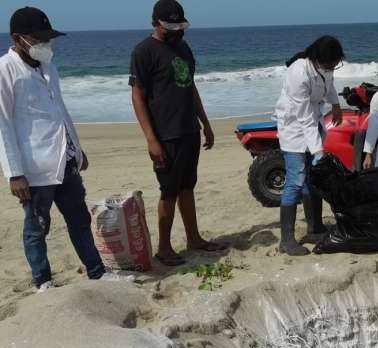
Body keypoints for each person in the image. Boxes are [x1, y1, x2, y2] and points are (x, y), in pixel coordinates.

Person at [0, 7, 125, 292]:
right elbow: (2, 125)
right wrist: (14, 173)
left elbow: (60, 112)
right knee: (36, 227)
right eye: (38, 38)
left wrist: (77, 148)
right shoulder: (5, 71)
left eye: (48, 39)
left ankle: (97, 272)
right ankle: (43, 281)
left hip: (64, 159)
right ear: (17, 38)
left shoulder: (48, 67)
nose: (45, 44)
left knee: (79, 218)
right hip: (34, 167)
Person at [130, 0, 224, 267]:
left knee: (187, 186)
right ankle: (164, 247)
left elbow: (190, 87)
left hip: (188, 129)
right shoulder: (143, 51)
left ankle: (193, 238)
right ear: (155, 23)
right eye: (171, 26)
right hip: (165, 134)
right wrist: (151, 140)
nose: (177, 31)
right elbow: (137, 97)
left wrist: (205, 122)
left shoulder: (183, 47)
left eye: (180, 25)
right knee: (168, 190)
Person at [274, 36, 344, 256]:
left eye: (336, 64)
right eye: (330, 64)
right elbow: (304, 118)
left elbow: (329, 83)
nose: (333, 68)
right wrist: (318, 151)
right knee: (296, 181)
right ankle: (286, 240)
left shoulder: (324, 67)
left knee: (313, 179)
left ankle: (315, 228)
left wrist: (336, 104)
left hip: (313, 122)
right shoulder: (298, 73)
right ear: (318, 59)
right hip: (294, 129)